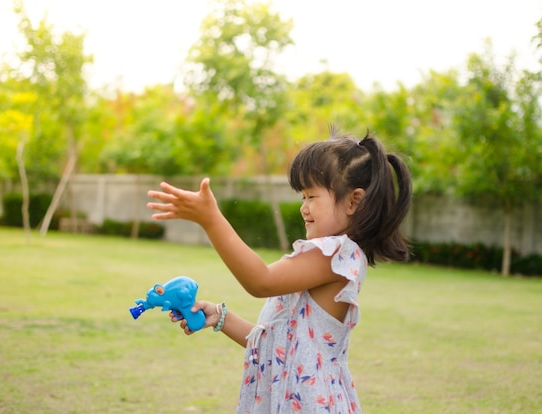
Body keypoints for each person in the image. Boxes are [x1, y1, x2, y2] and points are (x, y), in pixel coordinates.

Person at [146, 129, 412, 413]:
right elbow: (278, 348)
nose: (304, 208)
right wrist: (222, 318)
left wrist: (211, 220)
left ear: (353, 201)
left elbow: (260, 281)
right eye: (302, 197)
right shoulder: (325, 258)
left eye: (312, 196)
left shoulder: (336, 254)